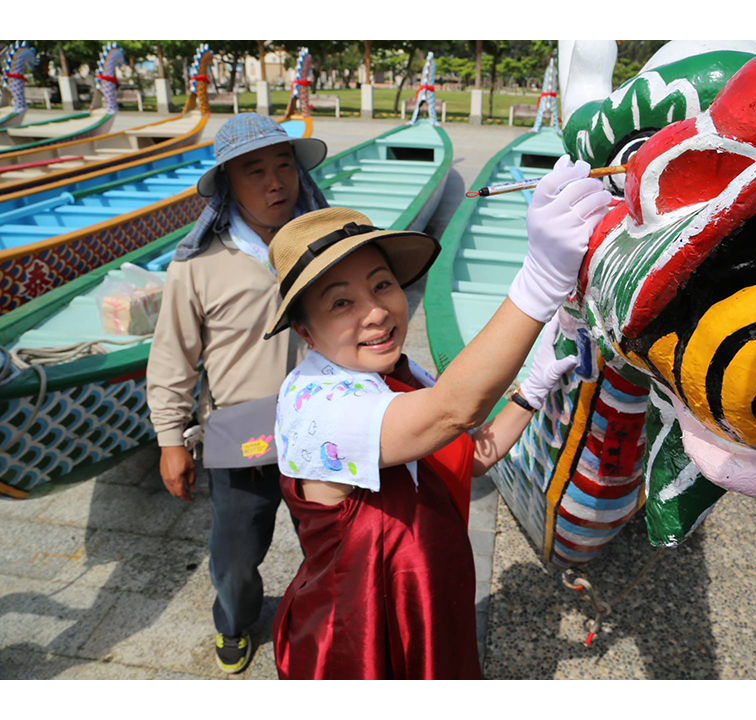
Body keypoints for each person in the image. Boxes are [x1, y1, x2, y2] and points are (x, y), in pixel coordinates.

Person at [264, 157, 610, 679]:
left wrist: (533, 389)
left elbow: (467, 457)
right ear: (306, 334)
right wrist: (539, 280)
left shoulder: (398, 374)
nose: (376, 312)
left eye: (382, 286)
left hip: (429, 602)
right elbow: (452, 409)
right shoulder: (315, 407)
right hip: (362, 633)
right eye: (341, 303)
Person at [146, 113, 329, 673]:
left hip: (321, 429)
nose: (276, 183)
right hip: (241, 437)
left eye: (284, 167)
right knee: (235, 556)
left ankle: (328, 616)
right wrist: (170, 438)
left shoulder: (323, 245)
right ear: (228, 185)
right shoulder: (199, 266)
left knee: (330, 541)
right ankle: (235, 620)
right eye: (256, 172)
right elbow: (174, 354)